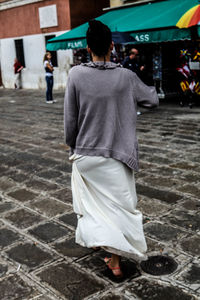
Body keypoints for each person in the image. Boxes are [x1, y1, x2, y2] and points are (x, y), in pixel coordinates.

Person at [64, 20, 158, 278]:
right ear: (112, 46)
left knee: (93, 206)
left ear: (87, 46)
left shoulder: (76, 75)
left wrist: (72, 144)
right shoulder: (125, 76)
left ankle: (102, 244)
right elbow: (152, 100)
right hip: (116, 156)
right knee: (120, 208)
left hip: (85, 155)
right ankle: (114, 260)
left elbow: (70, 120)